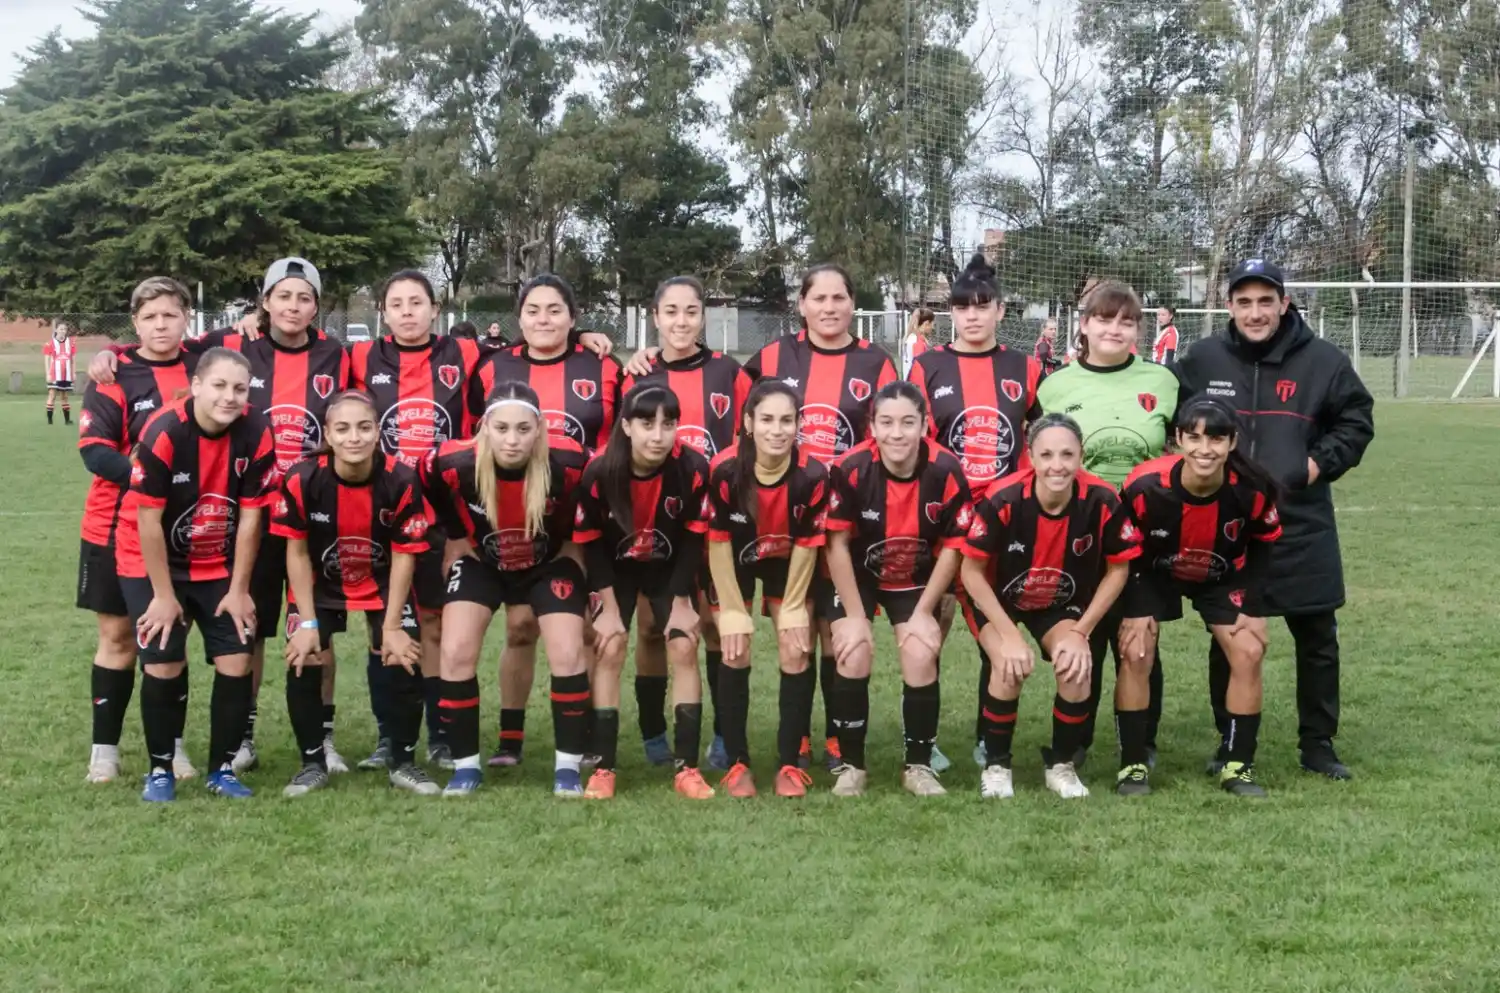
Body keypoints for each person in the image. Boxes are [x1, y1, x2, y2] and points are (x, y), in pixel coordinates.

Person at [91, 258, 353, 776]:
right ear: (265, 301)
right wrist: (112, 352)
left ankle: (322, 740)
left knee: (317, 629)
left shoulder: (339, 354)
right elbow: (163, 344)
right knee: (247, 631)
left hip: (314, 514)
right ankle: (242, 737)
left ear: (317, 305)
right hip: (244, 519)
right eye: (283, 296)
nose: (293, 306)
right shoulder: (233, 342)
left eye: (304, 297)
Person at [1173, 259, 1374, 780]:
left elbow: (1356, 421)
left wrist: (1313, 466)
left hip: (1302, 521)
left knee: (1317, 636)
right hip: (1231, 527)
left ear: (1284, 303)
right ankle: (1230, 741)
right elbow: (1171, 420)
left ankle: (1318, 746)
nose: (1256, 312)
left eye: (1266, 301)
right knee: (1229, 637)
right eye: (1244, 302)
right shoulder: (1201, 359)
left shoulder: (1325, 360)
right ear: (1229, 306)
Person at [466, 274, 622, 769]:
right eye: (533, 310)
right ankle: (510, 740)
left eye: (555, 310)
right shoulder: (493, 367)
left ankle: (587, 736)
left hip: (585, 520)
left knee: (586, 630)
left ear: (573, 318)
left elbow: (622, 436)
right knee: (519, 627)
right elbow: (475, 438)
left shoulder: (603, 366)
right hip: (512, 522)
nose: (544, 319)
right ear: (519, 317)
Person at [115, 347, 277, 801]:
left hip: (216, 560)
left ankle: (221, 770)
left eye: (239, 389)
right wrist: (163, 597)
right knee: (163, 661)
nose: (229, 397)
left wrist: (240, 589)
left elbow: (252, 517)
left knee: (237, 659)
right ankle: (160, 770)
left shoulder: (257, 430)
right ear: (197, 385)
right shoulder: (165, 430)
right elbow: (148, 520)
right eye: (219, 386)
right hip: (151, 559)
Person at [422, 380, 592, 796]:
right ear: (484, 428)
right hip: (483, 561)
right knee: (455, 650)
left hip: (549, 562)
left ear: (540, 430)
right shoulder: (451, 462)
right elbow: (426, 486)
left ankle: (568, 768)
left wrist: (578, 557)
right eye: (501, 429)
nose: (512, 440)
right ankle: (465, 767)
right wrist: (456, 535)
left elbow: (592, 506)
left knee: (568, 651)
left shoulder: (571, 461)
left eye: (523, 429)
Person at [1036, 280, 1180, 766]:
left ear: (1138, 330)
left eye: (1126, 321)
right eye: (1103, 318)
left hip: (1146, 534)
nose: (1114, 329)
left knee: (1139, 642)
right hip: (1080, 532)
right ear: (1084, 325)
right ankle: (1076, 742)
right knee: (1086, 637)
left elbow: (1180, 450)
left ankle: (1140, 743)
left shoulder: (1164, 382)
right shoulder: (1054, 386)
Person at [959, 414, 1140, 799]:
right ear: (1031, 457)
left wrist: (1080, 632)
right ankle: (996, 765)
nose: (1057, 465)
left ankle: (1061, 765)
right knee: (1008, 664)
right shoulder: (1003, 499)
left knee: (1076, 665)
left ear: (1081, 456)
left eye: (1067, 454)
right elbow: (971, 573)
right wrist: (1008, 636)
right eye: (1046, 455)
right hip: (998, 598)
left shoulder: (1101, 500)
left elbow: (1119, 569)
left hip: (1059, 600)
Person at [909, 252, 1043, 768]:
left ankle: (991, 736)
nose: (972, 316)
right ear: (952, 313)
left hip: (1006, 519)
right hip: (942, 520)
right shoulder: (927, 366)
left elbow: (1041, 434)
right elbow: (914, 443)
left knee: (998, 621)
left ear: (1000, 311)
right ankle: (924, 740)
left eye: (982, 306)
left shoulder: (1025, 367)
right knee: (934, 624)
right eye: (963, 307)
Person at [273, 390, 440, 797]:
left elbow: (404, 555)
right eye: (343, 429)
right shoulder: (301, 478)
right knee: (305, 656)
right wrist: (307, 624)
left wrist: (393, 627)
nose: (354, 437)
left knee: (402, 654)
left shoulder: (401, 478)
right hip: (320, 582)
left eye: (365, 427)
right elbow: (296, 552)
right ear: (328, 434)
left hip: (382, 580)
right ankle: (312, 764)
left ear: (378, 432)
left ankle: (403, 762)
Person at [1115, 395, 1283, 797]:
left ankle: (1237, 764)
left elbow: (1265, 544)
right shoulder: (1144, 485)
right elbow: (1123, 548)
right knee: (1136, 649)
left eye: (1216, 439)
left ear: (1232, 442)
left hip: (1221, 575)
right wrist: (1136, 608)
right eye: (1194, 437)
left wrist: (1254, 607)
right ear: (1178, 439)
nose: (1204, 449)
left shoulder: (1253, 489)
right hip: (1152, 572)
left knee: (1249, 650)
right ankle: (1133, 763)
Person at [620, 275, 752, 771]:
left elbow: (747, 440)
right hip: (654, 526)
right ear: (655, 317)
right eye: (671, 311)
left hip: (717, 526)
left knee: (717, 627)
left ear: (703, 317)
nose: (681, 321)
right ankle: (653, 730)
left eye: (691, 311)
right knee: (652, 628)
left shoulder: (728, 373)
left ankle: (722, 735)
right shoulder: (635, 374)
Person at [821, 381, 972, 797]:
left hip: (915, 577)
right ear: (872, 427)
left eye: (908, 422)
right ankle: (852, 766)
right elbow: (835, 544)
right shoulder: (851, 467)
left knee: (920, 652)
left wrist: (924, 612)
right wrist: (855, 617)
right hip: (859, 577)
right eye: (886, 423)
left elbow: (954, 548)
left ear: (924, 426)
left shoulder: (945, 469)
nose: (897, 433)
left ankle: (918, 767)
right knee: (853, 650)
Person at [77, 277, 199, 784]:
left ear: (186, 317)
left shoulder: (203, 365)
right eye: (149, 317)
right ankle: (104, 750)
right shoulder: (114, 374)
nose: (160, 325)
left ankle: (173, 746)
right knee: (118, 635)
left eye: (170, 315)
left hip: (182, 530)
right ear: (135, 323)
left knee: (170, 639)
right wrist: (154, 476)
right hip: (112, 526)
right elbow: (94, 452)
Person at [572, 383, 715, 799]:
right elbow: (591, 543)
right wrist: (607, 608)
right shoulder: (600, 470)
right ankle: (604, 768)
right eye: (647, 424)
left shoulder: (692, 467)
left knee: (684, 644)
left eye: (668, 425)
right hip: (614, 570)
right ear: (626, 426)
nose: (658, 435)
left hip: (667, 568)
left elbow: (692, 539)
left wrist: (683, 602)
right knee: (611, 646)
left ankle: (687, 769)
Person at [706, 379, 830, 797]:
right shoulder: (724, 470)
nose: (777, 430)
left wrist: (793, 608)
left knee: (796, 649)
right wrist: (732, 612)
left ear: (798, 424)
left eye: (786, 420)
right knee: (734, 647)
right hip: (733, 561)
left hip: (788, 563)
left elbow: (809, 546)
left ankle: (789, 764)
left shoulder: (813, 474)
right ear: (748, 423)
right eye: (767, 420)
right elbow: (718, 542)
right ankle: (737, 763)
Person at [44, 320, 77, 425]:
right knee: (52, 395)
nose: (63, 331)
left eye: (65, 329)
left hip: (66, 374)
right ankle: (50, 421)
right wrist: (48, 373)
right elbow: (47, 360)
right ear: (56, 330)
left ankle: (67, 420)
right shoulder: (50, 343)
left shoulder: (71, 343)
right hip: (54, 373)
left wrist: (74, 372)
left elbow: (73, 359)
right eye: (61, 329)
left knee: (64, 396)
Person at [900, 307, 936, 379]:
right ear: (926, 323)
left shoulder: (910, 337)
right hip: (915, 382)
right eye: (932, 324)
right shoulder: (917, 341)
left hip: (908, 381)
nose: (933, 327)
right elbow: (919, 367)